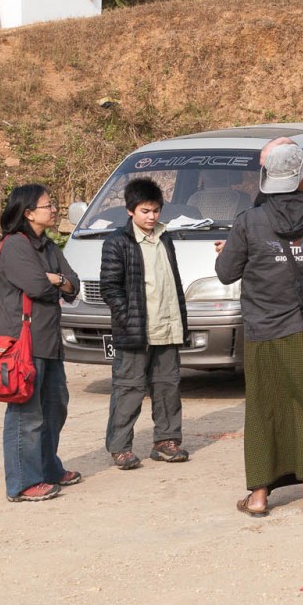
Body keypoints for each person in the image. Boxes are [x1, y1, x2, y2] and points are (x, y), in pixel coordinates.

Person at [215, 143, 303, 517]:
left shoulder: (247, 221)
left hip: (261, 329)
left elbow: (226, 272)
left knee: (262, 410)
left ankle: (258, 497)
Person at [0, 184, 81, 503]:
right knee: (26, 414)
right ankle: (22, 482)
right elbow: (37, 286)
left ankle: (48, 468)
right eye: (48, 205)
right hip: (23, 344)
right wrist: (55, 281)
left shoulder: (48, 246)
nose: (54, 209)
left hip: (49, 341)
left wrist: (57, 280)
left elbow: (74, 285)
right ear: (29, 212)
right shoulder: (15, 247)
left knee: (55, 408)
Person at [100, 178, 191, 471]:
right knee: (129, 388)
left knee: (167, 387)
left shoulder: (165, 238)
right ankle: (120, 447)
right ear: (130, 211)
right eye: (144, 211)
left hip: (167, 327)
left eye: (155, 210)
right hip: (135, 331)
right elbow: (110, 288)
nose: (151, 217)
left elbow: (172, 282)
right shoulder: (118, 241)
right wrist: (127, 318)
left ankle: (166, 441)